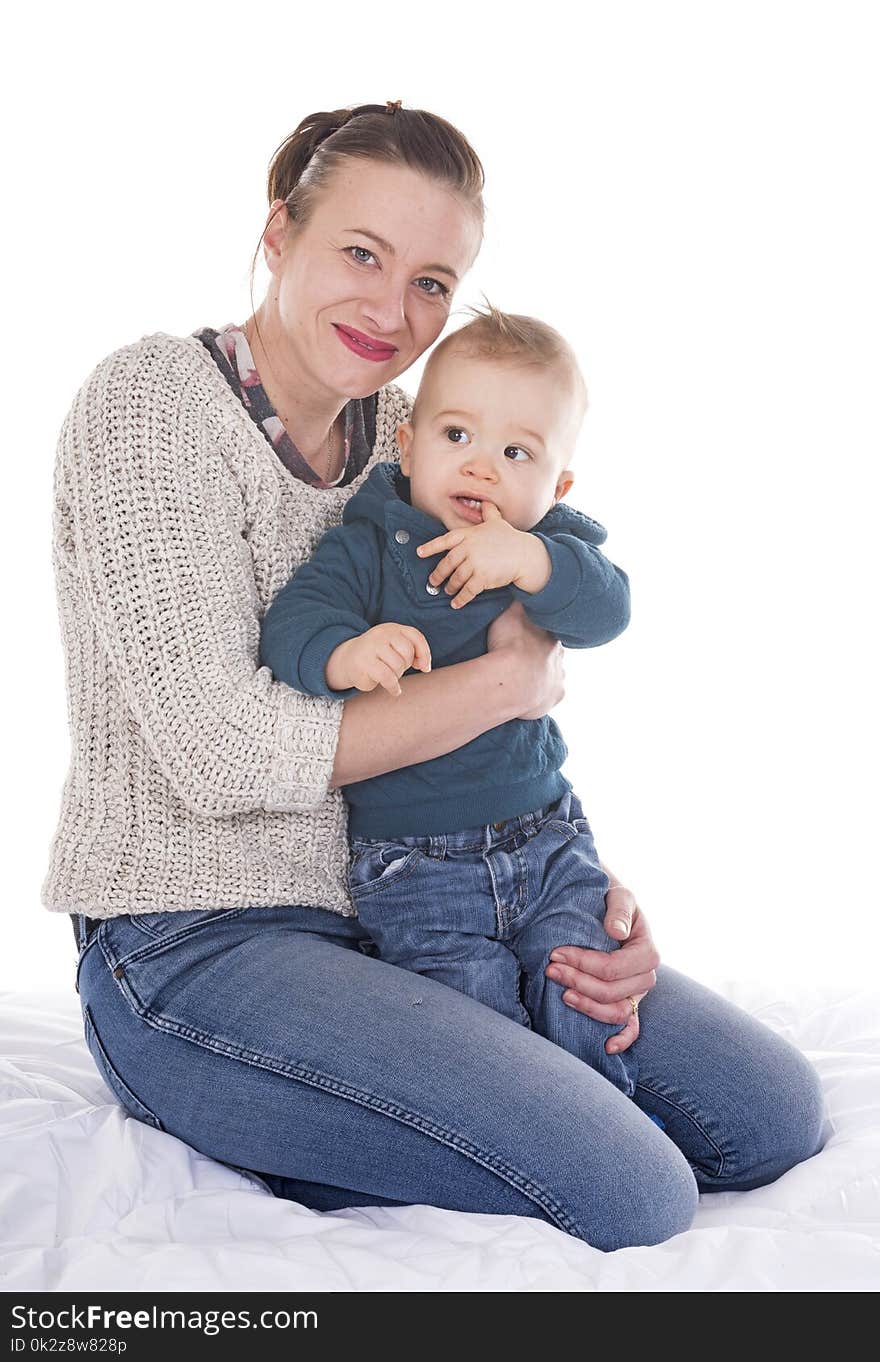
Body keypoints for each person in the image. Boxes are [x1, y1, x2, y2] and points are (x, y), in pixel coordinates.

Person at [45, 100, 826, 1252]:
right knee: (634, 1192)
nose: (390, 308)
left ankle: (415, 1085)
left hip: (419, 900)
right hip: (194, 945)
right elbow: (221, 755)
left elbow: (562, 588)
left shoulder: (418, 431)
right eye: (360, 253)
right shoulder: (153, 404)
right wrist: (512, 684)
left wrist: (566, 883)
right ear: (278, 233)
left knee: (768, 1116)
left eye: (429, 281)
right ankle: (294, 1114)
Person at [259, 300, 640, 1100]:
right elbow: (293, 627)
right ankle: (541, 1141)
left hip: (547, 842)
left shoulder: (548, 548)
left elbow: (609, 610)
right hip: (419, 869)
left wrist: (533, 559)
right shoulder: (375, 542)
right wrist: (348, 652)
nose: (481, 467)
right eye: (456, 436)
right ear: (408, 445)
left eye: (517, 452)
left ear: (557, 482)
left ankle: (603, 1114)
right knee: (482, 1046)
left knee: (587, 997)